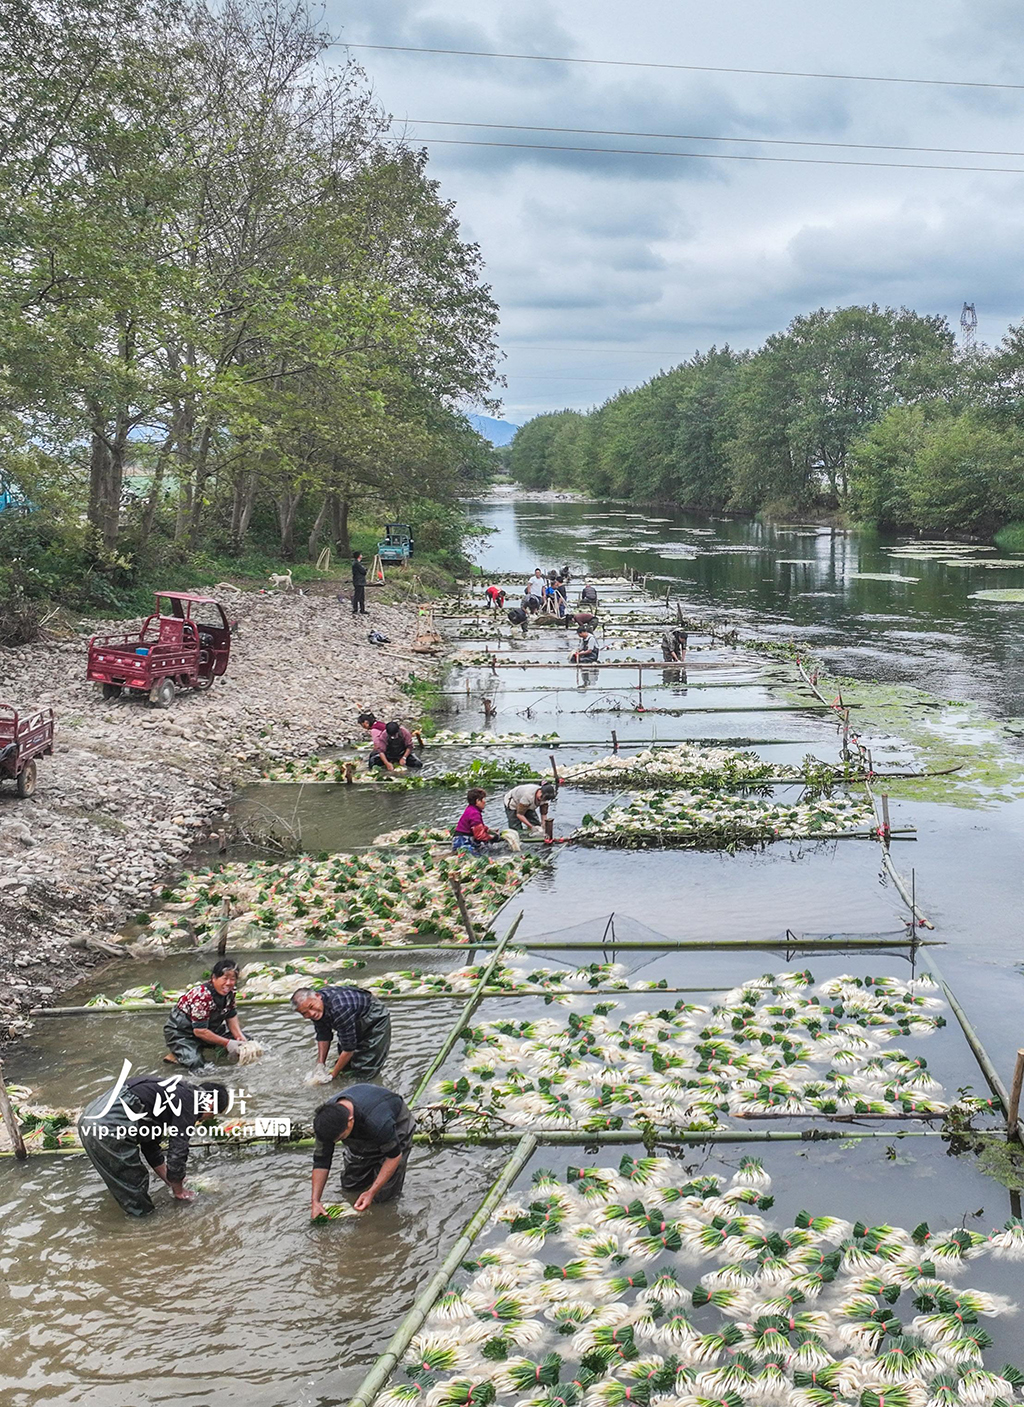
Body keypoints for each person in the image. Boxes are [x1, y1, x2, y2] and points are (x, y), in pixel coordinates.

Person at [78, 1073, 229, 1217]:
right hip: (109, 1126)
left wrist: (171, 1182)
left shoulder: (169, 1093)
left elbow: (150, 1147)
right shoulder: (191, 1101)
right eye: (213, 1114)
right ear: (210, 1103)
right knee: (135, 1188)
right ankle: (145, 1233)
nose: (208, 1118)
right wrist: (179, 1191)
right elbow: (178, 1151)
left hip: (89, 1119)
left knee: (127, 1185)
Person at [310, 1085, 415, 1215]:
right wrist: (315, 1201)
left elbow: (394, 1157)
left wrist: (371, 1192)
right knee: (351, 1186)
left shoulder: (377, 1122)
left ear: (350, 1121)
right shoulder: (326, 1123)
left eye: (340, 1138)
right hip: (363, 1127)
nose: (336, 1143)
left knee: (384, 1195)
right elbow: (321, 1160)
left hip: (395, 1122)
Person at [291, 985, 392, 1080]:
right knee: (347, 1066)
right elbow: (323, 1035)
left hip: (374, 1016)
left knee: (367, 1066)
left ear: (318, 996)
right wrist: (320, 1064)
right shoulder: (316, 1009)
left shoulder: (339, 1007)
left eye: (311, 1007)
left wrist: (332, 1075)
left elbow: (349, 1049)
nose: (311, 1013)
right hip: (353, 1014)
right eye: (304, 1013)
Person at [163, 958, 248, 1069]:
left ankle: (197, 1048)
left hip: (209, 1028)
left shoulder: (230, 993)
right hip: (183, 1033)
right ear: (214, 978)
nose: (228, 983)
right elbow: (200, 1031)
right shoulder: (202, 996)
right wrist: (228, 1043)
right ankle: (178, 1053)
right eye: (225, 978)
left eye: (232, 979)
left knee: (246, 1042)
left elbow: (231, 1014)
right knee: (196, 1064)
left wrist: (239, 1037)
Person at [453, 786, 498, 854]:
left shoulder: (470, 809)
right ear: (478, 801)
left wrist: (489, 830)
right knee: (486, 851)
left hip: (458, 839)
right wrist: (492, 837)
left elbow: (478, 826)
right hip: (462, 842)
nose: (485, 802)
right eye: (483, 799)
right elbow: (479, 835)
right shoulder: (474, 813)